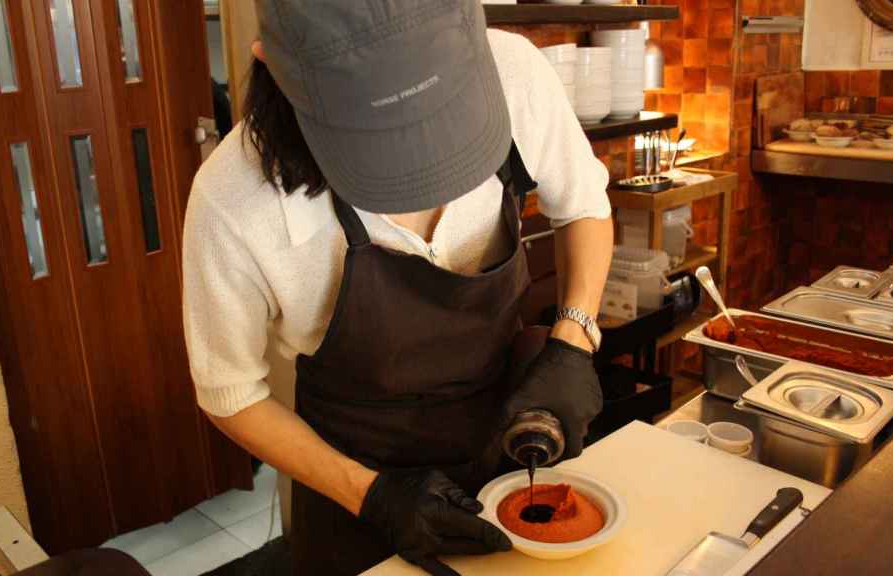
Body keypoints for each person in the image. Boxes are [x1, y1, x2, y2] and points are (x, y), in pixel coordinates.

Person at [182, 1, 613, 574]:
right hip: (353, 486)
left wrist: (574, 336)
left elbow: (583, 205)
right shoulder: (233, 197)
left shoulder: (514, 73)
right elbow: (229, 391)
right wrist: (372, 495)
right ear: (275, 64)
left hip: (506, 440)